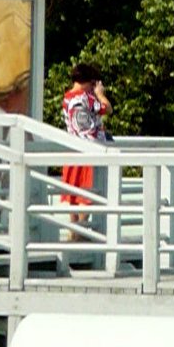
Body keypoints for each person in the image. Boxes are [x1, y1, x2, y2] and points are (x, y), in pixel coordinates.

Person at [60, 63, 111, 232]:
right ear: (88, 81)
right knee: (88, 194)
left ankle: (74, 230)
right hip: (90, 150)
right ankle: (80, 232)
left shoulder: (67, 98)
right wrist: (100, 95)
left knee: (73, 193)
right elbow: (107, 108)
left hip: (73, 149)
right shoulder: (87, 98)